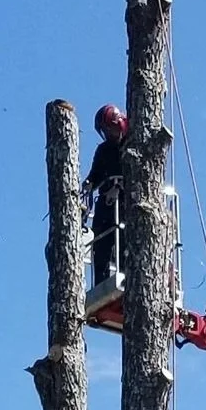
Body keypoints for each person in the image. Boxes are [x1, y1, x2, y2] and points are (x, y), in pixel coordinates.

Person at [85, 104, 126, 292]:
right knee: (101, 241)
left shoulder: (133, 142)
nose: (109, 134)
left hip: (128, 201)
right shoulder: (104, 150)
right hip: (107, 202)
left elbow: (142, 173)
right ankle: (101, 284)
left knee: (125, 240)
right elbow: (95, 175)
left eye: (110, 129)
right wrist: (87, 185)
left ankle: (129, 276)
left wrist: (119, 187)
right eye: (105, 131)